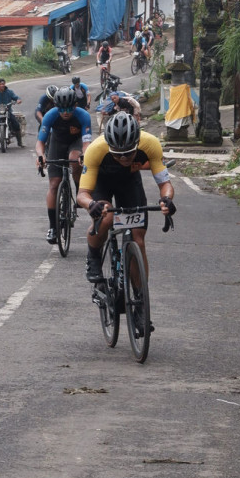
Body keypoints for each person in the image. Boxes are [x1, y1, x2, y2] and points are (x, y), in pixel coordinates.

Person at [78, 112, 175, 332]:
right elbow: (82, 193)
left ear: (137, 144)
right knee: (106, 217)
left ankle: (140, 303)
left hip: (129, 184)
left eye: (129, 154)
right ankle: (93, 257)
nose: (124, 159)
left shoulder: (150, 144)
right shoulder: (96, 149)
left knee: (138, 240)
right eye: (118, 155)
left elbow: (165, 184)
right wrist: (91, 204)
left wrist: (167, 200)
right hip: (102, 183)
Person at [36, 86, 92, 243]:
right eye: (61, 109)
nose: (65, 112)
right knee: (54, 184)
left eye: (69, 108)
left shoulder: (83, 116)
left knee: (74, 159)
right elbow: (40, 143)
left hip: (76, 142)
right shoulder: (50, 115)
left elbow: (86, 143)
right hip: (57, 143)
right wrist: (41, 156)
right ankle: (53, 227)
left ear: (75, 105)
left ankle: (78, 188)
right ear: (56, 106)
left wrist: (84, 155)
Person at [0, 77, 23, 146]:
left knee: (16, 124)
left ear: (5, 84)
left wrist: (18, 99)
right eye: (0, 84)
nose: (2, 85)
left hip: (8, 111)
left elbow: (16, 97)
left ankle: (20, 142)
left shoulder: (9, 92)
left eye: (3, 84)